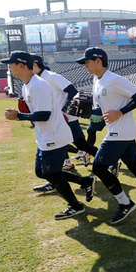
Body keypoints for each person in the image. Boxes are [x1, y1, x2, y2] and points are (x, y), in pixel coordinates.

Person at [76, 47, 136, 224]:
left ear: (98, 61)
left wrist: (120, 112)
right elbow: (100, 107)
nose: (85, 65)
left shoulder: (115, 80)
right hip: (120, 131)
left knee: (99, 167)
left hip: (120, 132)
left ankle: (125, 203)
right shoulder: (96, 79)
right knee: (135, 167)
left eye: (87, 62)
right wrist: (95, 119)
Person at [2, 51, 95, 220]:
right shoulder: (27, 84)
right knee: (42, 172)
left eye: (11, 64)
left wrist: (18, 116)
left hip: (54, 135)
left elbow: (44, 115)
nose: (9, 67)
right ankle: (85, 182)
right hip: (45, 135)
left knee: (51, 173)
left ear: (22, 65)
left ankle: (75, 205)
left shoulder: (39, 85)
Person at [30, 54, 94, 193]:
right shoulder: (38, 80)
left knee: (81, 144)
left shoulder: (52, 76)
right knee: (59, 147)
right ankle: (54, 180)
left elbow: (73, 91)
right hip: (56, 120)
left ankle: (110, 161)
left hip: (67, 118)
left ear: (35, 64)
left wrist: (64, 109)